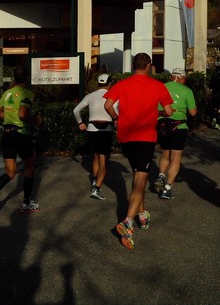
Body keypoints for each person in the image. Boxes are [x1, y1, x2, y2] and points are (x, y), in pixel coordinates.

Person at [103, 53, 173, 250]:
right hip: (145, 137)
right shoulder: (157, 85)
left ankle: (142, 215)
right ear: (148, 66)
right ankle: (127, 222)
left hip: (126, 136)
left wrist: (116, 118)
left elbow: (107, 105)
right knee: (140, 180)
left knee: (138, 177)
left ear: (134, 65)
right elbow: (169, 111)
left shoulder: (122, 84)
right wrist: (158, 112)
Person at [0, 66, 42, 215]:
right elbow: (23, 114)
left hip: (7, 134)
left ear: (14, 79)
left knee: (10, 173)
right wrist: (35, 120)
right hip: (21, 134)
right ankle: (26, 203)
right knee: (29, 166)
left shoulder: (7, 93)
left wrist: (10, 117)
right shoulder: (27, 93)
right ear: (27, 78)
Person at [153, 68, 197, 200]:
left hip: (162, 124)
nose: (184, 81)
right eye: (184, 79)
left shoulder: (161, 87)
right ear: (180, 78)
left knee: (165, 153)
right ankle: (167, 189)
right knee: (176, 157)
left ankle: (161, 175)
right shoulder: (187, 90)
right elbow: (193, 112)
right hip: (179, 125)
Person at [73, 73, 114, 200]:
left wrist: (80, 123)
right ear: (110, 83)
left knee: (96, 156)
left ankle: (95, 181)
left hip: (91, 129)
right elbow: (117, 112)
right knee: (104, 160)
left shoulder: (90, 96)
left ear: (98, 83)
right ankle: (97, 189)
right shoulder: (113, 96)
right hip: (106, 130)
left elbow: (75, 110)